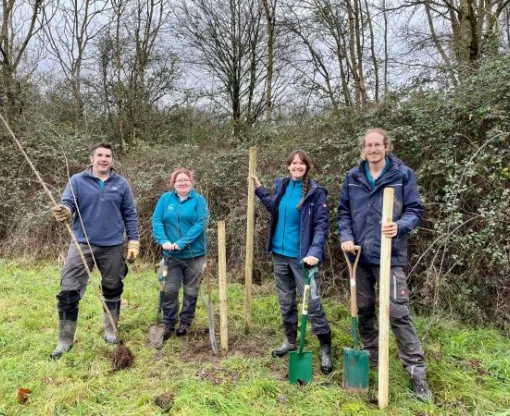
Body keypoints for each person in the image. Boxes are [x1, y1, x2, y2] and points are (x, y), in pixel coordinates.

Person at [337, 128, 432, 402]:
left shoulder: (402, 175)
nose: (373, 149)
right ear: (363, 148)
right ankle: (371, 357)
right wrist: (346, 237)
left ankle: (417, 374)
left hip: (390, 255)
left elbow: (415, 210)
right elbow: (343, 212)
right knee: (364, 309)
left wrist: (399, 226)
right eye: (369, 145)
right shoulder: (353, 176)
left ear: (386, 147)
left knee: (397, 312)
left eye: (378, 145)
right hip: (360, 256)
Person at [50, 143, 139, 360]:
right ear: (92, 158)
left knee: (113, 287)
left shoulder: (121, 184)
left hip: (113, 245)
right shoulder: (77, 181)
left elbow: (130, 213)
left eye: (108, 155)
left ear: (112, 160)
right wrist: (65, 211)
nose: (103, 159)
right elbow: (68, 204)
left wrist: (134, 241)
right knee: (68, 291)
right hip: (82, 244)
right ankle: (65, 341)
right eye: (99, 155)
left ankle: (110, 332)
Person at [252, 150, 333, 374]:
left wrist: (315, 252)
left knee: (313, 304)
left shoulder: (316, 193)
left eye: (301, 163)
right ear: (288, 166)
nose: (297, 166)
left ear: (307, 167)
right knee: (286, 301)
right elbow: (274, 208)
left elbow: (321, 226)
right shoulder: (283, 186)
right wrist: (259, 190)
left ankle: (325, 347)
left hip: (304, 259)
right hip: (279, 255)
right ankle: (290, 341)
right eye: (293, 163)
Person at [152, 168, 209, 340]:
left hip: (195, 254)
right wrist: (164, 241)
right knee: (169, 290)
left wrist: (182, 242)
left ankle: (185, 321)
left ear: (191, 182)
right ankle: (168, 322)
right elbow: (157, 220)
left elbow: (202, 222)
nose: (183, 183)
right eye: (179, 180)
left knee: (191, 290)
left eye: (186, 180)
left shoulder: (199, 200)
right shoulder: (165, 199)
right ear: (173, 183)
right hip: (171, 256)